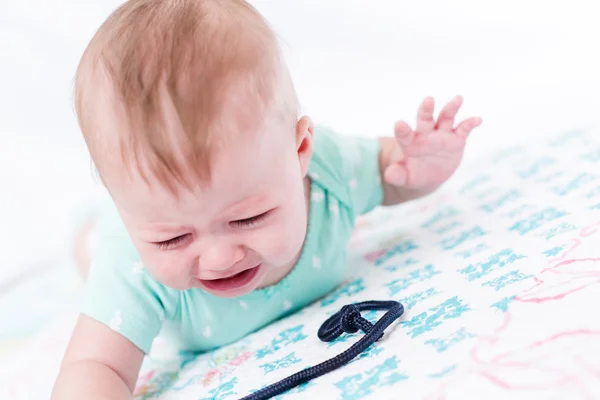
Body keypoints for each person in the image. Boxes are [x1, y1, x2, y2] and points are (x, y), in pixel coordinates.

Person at [52, 0, 482, 398]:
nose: (219, 259)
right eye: (173, 239)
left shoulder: (328, 170)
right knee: (92, 251)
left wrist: (422, 172)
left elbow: (392, 175)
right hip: (106, 242)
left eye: (248, 217)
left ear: (299, 154)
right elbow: (95, 364)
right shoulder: (133, 267)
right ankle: (89, 227)